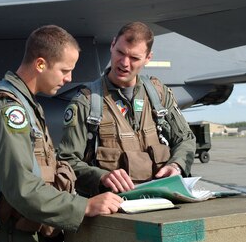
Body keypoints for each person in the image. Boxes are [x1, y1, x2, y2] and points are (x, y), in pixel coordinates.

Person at [0, 25, 122, 242]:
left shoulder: (29, 106)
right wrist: (84, 206)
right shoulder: (10, 111)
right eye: (64, 70)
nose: (69, 78)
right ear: (40, 64)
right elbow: (21, 187)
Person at [57, 22, 196, 197]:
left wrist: (176, 165)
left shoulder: (159, 95)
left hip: (162, 201)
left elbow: (185, 139)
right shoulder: (87, 101)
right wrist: (102, 176)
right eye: (120, 53)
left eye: (134, 58)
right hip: (112, 209)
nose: (124, 63)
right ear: (112, 45)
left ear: (148, 58)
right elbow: (66, 160)